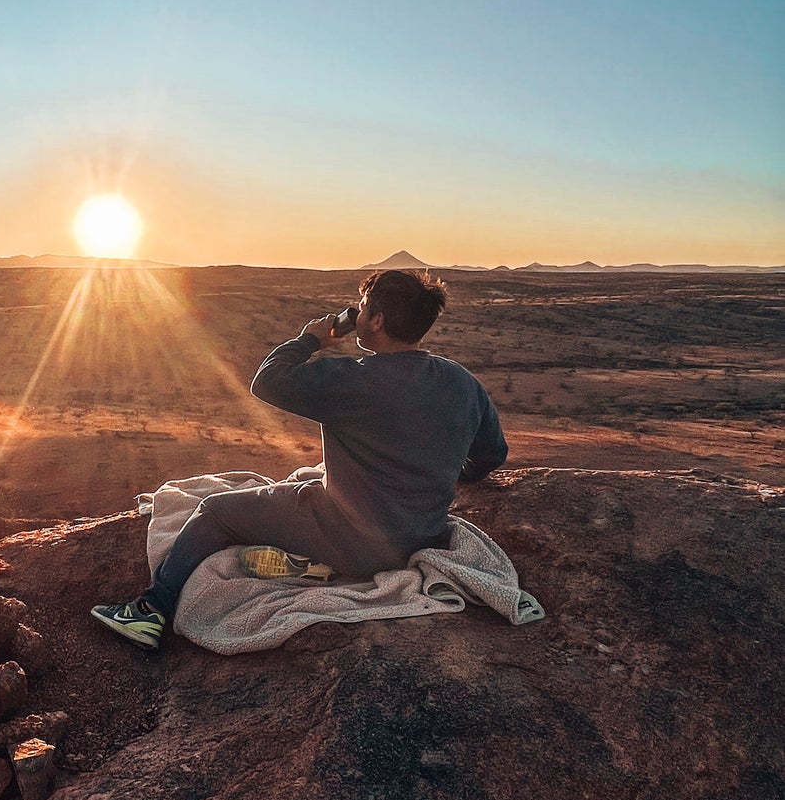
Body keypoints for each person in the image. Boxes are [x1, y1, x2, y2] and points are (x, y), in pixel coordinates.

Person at [91, 267, 508, 649]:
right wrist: (430, 476)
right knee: (301, 488)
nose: (358, 315)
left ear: (377, 320)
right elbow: (492, 455)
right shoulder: (462, 381)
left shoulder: (354, 379)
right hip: (418, 538)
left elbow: (267, 381)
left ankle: (148, 612)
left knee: (214, 511)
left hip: (349, 538)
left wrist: (311, 339)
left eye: (362, 309)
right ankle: (309, 563)